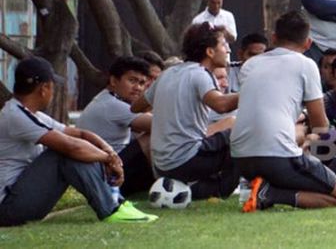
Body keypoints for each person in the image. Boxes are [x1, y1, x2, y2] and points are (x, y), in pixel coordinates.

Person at [0, 57, 157, 226]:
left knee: (74, 149)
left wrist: (108, 153)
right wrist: (108, 158)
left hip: (20, 197)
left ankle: (115, 203)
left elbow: (80, 134)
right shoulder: (15, 116)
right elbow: (71, 146)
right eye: (53, 87)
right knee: (64, 152)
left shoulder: (28, 113)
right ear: (44, 89)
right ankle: (112, 208)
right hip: (9, 208)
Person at [232, 11, 336, 212]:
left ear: (273, 38)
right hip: (277, 156)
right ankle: (269, 194)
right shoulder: (306, 64)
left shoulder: (250, 64)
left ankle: (262, 189)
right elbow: (321, 125)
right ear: (308, 43)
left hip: (241, 158)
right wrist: (304, 134)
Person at [131, 22, 240, 201]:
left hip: (161, 165)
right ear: (210, 52)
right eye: (223, 45)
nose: (228, 50)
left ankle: (195, 186)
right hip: (185, 160)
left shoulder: (168, 73)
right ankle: (217, 189)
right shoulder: (200, 74)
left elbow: (136, 107)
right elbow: (221, 105)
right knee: (242, 133)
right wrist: (252, 90)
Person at [76, 56, 155, 197]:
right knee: (152, 137)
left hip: (110, 167)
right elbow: (162, 125)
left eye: (142, 83)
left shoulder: (108, 99)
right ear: (113, 81)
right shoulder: (112, 105)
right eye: (132, 81)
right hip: (109, 175)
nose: (138, 88)